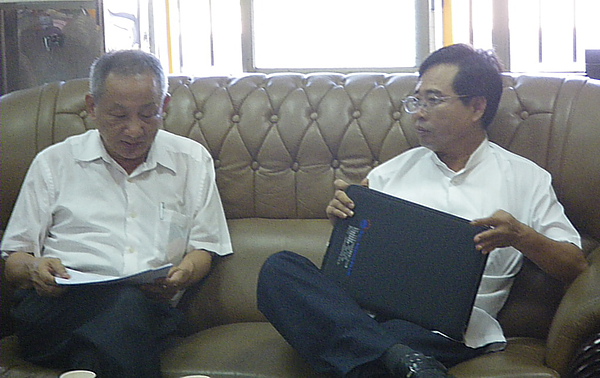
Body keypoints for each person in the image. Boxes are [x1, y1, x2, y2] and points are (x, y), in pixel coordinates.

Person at [256, 44, 588, 378]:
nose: (418, 113)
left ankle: (386, 354)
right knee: (279, 268)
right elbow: (348, 267)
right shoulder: (391, 174)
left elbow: (574, 265)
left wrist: (521, 236)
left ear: (476, 107)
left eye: (433, 100)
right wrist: (344, 224)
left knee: (356, 345)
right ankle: (404, 361)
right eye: (416, 101)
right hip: (367, 311)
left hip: (448, 329)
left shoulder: (526, 178)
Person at [1, 49, 233, 378]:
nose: (135, 130)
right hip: (57, 309)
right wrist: (35, 268)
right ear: (92, 107)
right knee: (124, 313)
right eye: (119, 115)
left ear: (165, 106)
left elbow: (205, 248)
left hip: (148, 308)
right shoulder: (54, 163)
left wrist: (184, 273)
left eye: (148, 114)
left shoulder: (191, 161)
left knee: (116, 323)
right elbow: (14, 262)